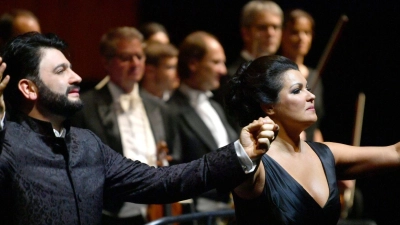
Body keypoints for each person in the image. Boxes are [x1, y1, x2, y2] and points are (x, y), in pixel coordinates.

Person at [0, 32, 278, 225]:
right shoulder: (6, 143)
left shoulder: (87, 144)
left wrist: (239, 153)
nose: (77, 77)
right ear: (28, 88)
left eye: (71, 68)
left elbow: (162, 182)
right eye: (61, 71)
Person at [224, 55, 400, 225]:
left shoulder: (325, 153)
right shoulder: (254, 164)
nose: (311, 96)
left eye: (307, 88)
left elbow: (395, 152)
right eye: (297, 90)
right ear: (269, 106)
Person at [70, 27, 178, 224]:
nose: (135, 64)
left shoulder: (160, 107)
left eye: (139, 56)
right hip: (110, 213)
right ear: (106, 62)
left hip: (156, 211)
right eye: (126, 58)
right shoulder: (85, 107)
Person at [167, 31, 238, 213]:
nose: (223, 70)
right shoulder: (170, 110)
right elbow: (177, 171)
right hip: (199, 214)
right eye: (216, 62)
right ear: (193, 64)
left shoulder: (215, 105)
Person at [280, 9, 324, 142]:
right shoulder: (277, 73)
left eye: (307, 32)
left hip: (309, 149)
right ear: (282, 34)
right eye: (295, 32)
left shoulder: (315, 74)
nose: (301, 38)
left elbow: (315, 127)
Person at [228, 0, 283, 76]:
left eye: (275, 27)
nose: (271, 33)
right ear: (246, 33)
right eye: (262, 28)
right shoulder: (233, 75)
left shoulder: (283, 72)